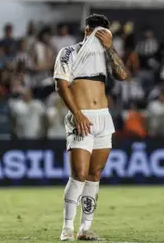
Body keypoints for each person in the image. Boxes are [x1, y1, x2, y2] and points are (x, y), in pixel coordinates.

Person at [54, 14, 129, 241]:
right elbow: (61, 85)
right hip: (82, 117)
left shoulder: (105, 55)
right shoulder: (69, 52)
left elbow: (123, 75)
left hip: (103, 119)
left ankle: (85, 228)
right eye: (96, 33)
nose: (99, 38)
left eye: (104, 34)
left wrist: (111, 48)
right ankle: (67, 227)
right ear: (87, 31)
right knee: (79, 174)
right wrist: (77, 114)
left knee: (95, 174)